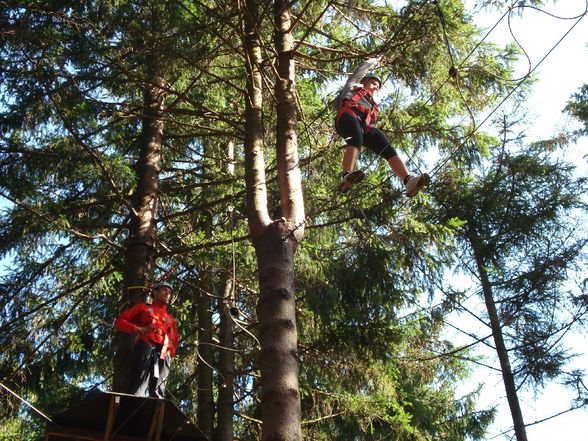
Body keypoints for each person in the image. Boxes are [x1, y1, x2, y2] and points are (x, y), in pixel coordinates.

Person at [334, 57, 429, 196]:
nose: (375, 87)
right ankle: (346, 175)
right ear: (364, 82)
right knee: (356, 139)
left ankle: (408, 181)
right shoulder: (352, 88)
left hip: (365, 126)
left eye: (377, 86)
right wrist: (375, 61)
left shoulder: (374, 103)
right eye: (372, 83)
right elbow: (360, 71)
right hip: (347, 116)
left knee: (387, 148)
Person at [114, 281, 179, 398]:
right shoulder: (143, 308)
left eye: (170, 292)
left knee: (160, 389)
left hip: (164, 352)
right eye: (164, 290)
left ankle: (155, 407)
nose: (167, 294)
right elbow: (119, 322)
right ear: (155, 292)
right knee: (139, 380)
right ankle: (132, 400)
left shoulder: (170, 319)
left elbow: (175, 339)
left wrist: (170, 353)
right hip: (146, 345)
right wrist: (138, 328)